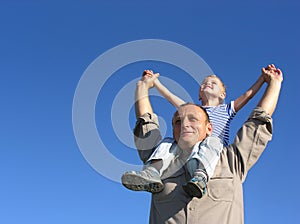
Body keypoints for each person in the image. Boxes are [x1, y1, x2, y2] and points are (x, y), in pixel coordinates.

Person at [122, 64, 283, 224]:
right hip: (171, 156)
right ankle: (152, 172)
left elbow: (258, 116)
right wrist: (147, 85)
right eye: (178, 121)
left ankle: (200, 175)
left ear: (209, 127)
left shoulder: (231, 159)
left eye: (193, 119)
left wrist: (268, 81)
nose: (185, 124)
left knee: (212, 141)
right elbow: (148, 122)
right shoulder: (166, 152)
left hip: (215, 148)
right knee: (166, 143)